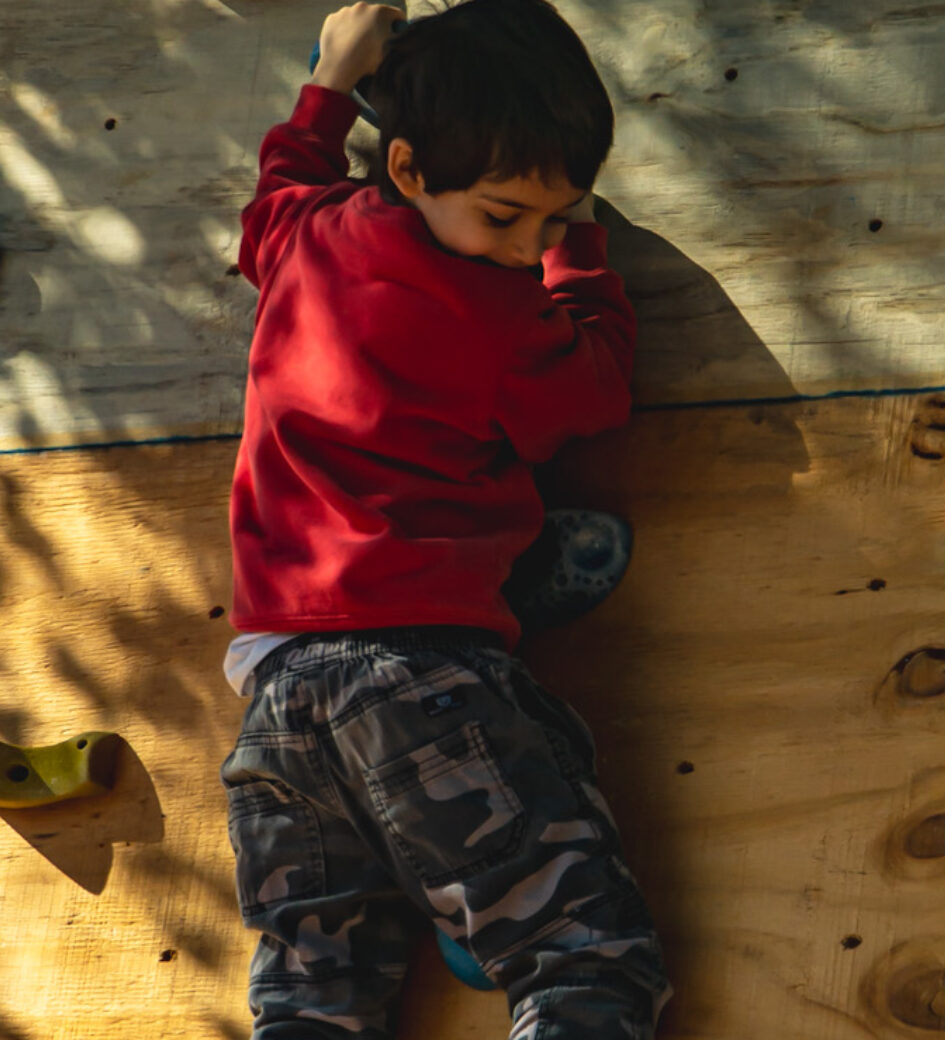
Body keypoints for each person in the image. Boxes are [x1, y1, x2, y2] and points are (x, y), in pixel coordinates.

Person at [218, 2, 672, 1038]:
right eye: (507, 216)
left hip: (277, 697)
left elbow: (275, 188)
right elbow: (591, 391)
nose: (525, 248)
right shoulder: (506, 314)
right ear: (412, 169)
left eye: (552, 221)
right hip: (415, 677)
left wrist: (332, 78)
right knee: (581, 949)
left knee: (312, 991)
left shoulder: (309, 234)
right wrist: (585, 255)